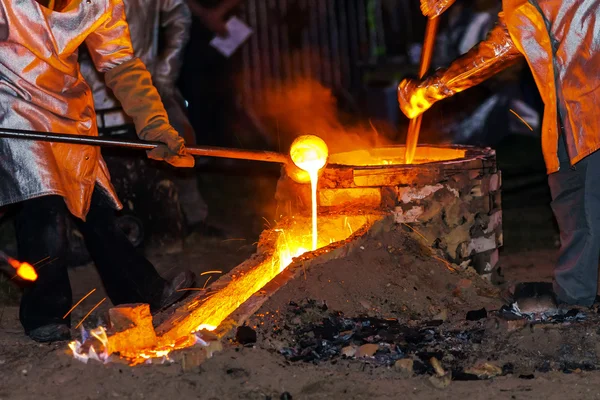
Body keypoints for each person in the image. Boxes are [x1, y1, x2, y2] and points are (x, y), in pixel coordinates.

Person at [0, 0, 196, 342]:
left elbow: (120, 64)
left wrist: (154, 125)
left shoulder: (103, 2)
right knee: (44, 207)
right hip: (11, 105)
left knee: (95, 206)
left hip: (67, 108)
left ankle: (143, 290)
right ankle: (45, 312)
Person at [398, 0, 600, 308]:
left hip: (593, 107)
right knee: (570, 201)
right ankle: (572, 297)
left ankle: (575, 299)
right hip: (565, 118)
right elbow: (497, 50)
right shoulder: (518, 7)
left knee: (587, 205)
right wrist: (432, 89)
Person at [79, 0, 209, 233]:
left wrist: (165, 73)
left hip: (144, 88)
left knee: (179, 141)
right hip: (87, 98)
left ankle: (194, 217)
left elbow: (180, 13)